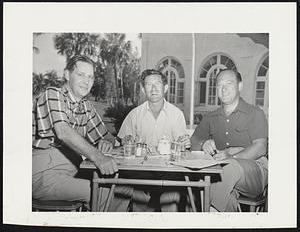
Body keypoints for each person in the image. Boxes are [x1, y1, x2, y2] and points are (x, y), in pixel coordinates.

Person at [32, 55, 123, 211]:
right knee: (107, 194)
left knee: (123, 189)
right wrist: (99, 157)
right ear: (67, 75)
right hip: (43, 174)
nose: (86, 81)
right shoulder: (52, 94)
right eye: (80, 75)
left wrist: (107, 141)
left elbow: (108, 136)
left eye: (91, 77)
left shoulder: (86, 106)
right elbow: (63, 132)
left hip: (74, 171)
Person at [191, 69, 268, 212]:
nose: (223, 89)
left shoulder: (255, 113)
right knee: (217, 188)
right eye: (219, 85)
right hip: (224, 175)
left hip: (254, 171)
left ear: (239, 86)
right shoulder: (210, 117)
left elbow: (260, 147)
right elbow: (193, 140)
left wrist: (232, 156)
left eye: (229, 84)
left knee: (224, 170)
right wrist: (203, 144)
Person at [116, 69, 191, 212]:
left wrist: (184, 143)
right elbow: (123, 142)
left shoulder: (176, 114)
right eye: (149, 85)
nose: (154, 88)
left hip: (168, 171)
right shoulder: (135, 114)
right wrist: (126, 140)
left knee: (171, 196)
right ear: (144, 90)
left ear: (166, 88)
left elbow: (182, 147)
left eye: (157, 84)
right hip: (141, 171)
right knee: (139, 193)